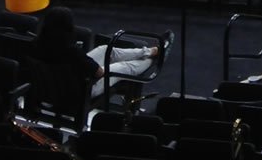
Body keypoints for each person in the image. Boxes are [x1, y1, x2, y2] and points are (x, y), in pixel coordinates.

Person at [32, 6, 164, 100]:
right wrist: (100, 67)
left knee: (104, 50)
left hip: (57, 85)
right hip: (82, 89)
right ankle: (153, 59)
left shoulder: (36, 45)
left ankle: (149, 52)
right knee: (122, 68)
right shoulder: (72, 52)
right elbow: (99, 73)